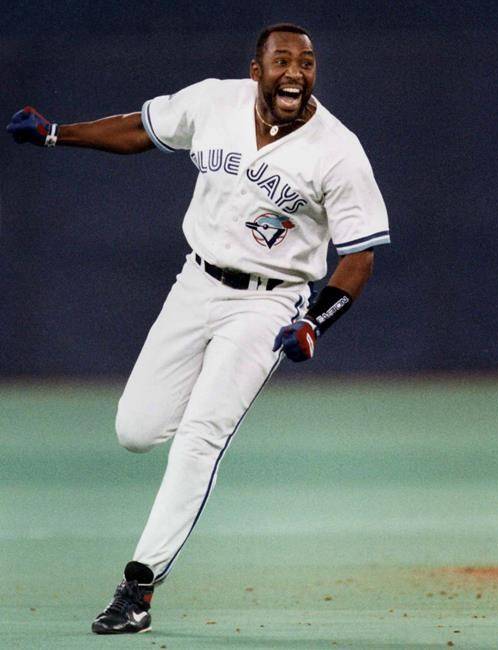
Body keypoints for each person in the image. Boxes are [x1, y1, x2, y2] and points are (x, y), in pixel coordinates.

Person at [7, 22, 390, 634]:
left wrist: (316, 321)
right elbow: (142, 127)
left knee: (200, 437)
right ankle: (207, 429)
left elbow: (360, 255)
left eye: (308, 63)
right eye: (282, 60)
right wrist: (57, 134)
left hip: (269, 304)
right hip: (196, 283)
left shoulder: (337, 149)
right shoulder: (215, 102)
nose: (296, 71)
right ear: (256, 70)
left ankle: (137, 588)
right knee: (135, 429)